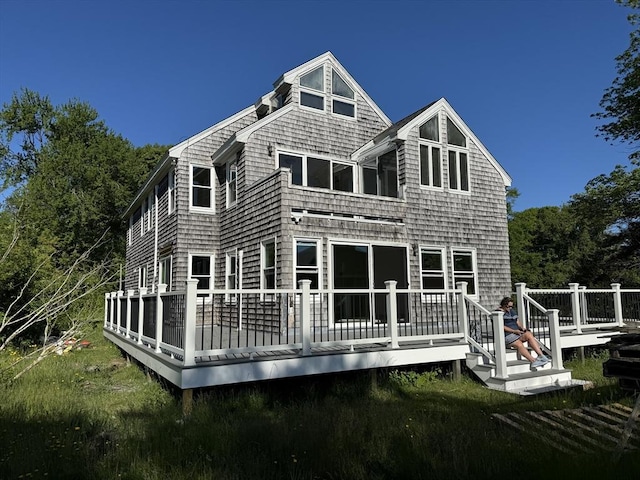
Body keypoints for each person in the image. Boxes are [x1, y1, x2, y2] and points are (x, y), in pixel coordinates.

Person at [498, 297, 550, 368]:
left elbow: (517, 321)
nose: (510, 308)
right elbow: (501, 326)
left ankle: (541, 356)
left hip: (517, 333)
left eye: (511, 306)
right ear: (504, 305)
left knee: (529, 334)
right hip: (507, 335)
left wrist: (522, 328)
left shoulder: (512, 311)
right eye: (509, 306)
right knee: (519, 344)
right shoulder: (498, 313)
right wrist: (514, 331)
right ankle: (533, 361)